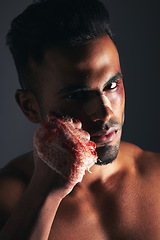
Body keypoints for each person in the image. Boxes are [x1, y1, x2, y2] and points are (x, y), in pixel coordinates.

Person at [0, 0, 160, 239]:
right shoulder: (9, 201)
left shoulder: (156, 176)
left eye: (111, 85)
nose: (105, 113)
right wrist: (45, 193)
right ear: (29, 106)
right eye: (76, 95)